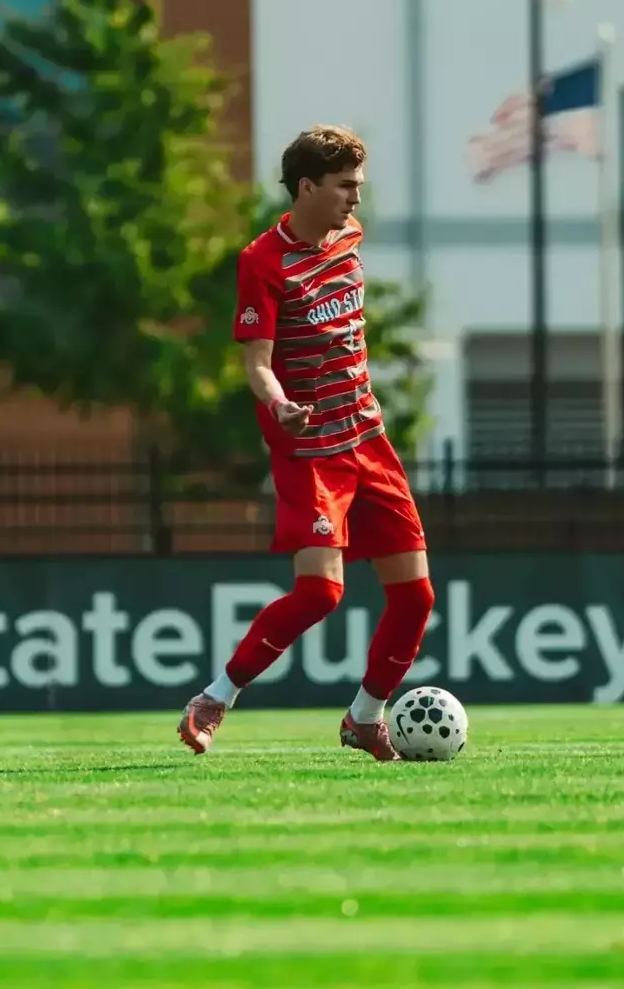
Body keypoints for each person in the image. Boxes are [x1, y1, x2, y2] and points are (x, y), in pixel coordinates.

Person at [177, 125, 434, 762]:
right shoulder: (262, 261)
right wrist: (278, 404)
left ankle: (365, 718)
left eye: (358, 185)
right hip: (313, 451)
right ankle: (214, 698)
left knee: (415, 596)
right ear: (306, 187)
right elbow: (256, 361)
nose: (356, 198)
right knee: (321, 592)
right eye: (345, 186)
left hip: (368, 438)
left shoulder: (349, 237)